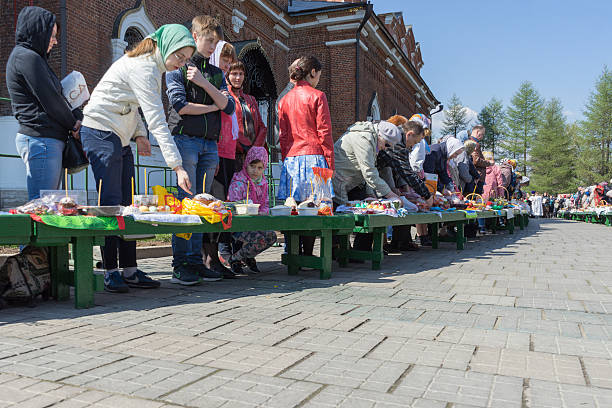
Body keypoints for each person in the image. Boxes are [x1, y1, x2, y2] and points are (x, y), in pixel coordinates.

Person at [80, 24, 196, 292]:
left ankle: (130, 269)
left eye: (186, 59)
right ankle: (110, 270)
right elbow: (157, 117)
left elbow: (136, 104)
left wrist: (140, 134)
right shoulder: (144, 67)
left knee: (129, 203)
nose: (181, 63)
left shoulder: (154, 67)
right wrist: (177, 166)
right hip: (99, 129)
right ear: (165, 47)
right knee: (110, 202)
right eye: (179, 56)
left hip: (120, 133)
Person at [165, 15, 236, 284]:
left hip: (209, 145)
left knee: (204, 205)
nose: (211, 46)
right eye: (208, 40)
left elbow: (228, 107)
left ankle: (196, 261)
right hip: (186, 140)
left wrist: (205, 84)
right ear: (195, 37)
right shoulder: (178, 68)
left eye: (215, 42)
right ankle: (181, 263)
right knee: (186, 204)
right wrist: (212, 105)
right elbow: (180, 105)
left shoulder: (215, 74)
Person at [7, 6, 82, 200]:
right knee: (44, 206)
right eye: (52, 35)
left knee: (48, 205)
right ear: (38, 31)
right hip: (42, 139)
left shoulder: (32, 58)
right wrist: (74, 124)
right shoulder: (27, 58)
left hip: (45, 140)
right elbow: (50, 99)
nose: (55, 42)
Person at [277, 56, 333, 257]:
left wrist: (286, 158)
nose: (318, 78)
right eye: (318, 74)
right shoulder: (318, 96)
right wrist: (329, 163)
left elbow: (283, 136)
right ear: (312, 72)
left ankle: (292, 254)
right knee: (313, 207)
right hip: (314, 157)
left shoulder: (284, 100)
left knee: (292, 207)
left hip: (292, 158)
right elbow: (324, 133)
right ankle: (308, 255)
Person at [332, 121, 403, 252]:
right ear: (380, 136)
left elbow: (369, 168)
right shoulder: (363, 138)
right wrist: (391, 195)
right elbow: (369, 172)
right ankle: (340, 252)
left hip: (354, 182)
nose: (385, 149)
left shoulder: (373, 139)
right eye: (386, 145)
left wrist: (370, 193)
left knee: (371, 214)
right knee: (342, 219)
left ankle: (360, 252)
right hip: (340, 182)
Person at [227, 147, 277, 274]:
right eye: (252, 166)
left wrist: (263, 211)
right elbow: (233, 204)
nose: (255, 171)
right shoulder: (239, 181)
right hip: (239, 224)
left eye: (260, 168)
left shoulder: (263, 183)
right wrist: (246, 207)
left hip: (256, 222)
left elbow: (265, 202)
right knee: (259, 239)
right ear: (246, 163)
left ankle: (245, 256)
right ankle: (236, 259)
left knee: (271, 236)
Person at [229, 61, 268, 166]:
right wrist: (242, 147)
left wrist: (255, 148)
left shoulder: (251, 99)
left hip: (253, 155)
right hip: (234, 153)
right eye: (234, 73)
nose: (238, 78)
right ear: (228, 75)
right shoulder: (224, 97)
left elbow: (262, 127)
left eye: (241, 74)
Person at [469, 125, 492, 195]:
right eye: (482, 134)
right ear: (477, 132)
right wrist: (489, 163)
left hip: (476, 175)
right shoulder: (474, 144)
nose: (482, 136)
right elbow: (476, 160)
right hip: (477, 176)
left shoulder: (472, 142)